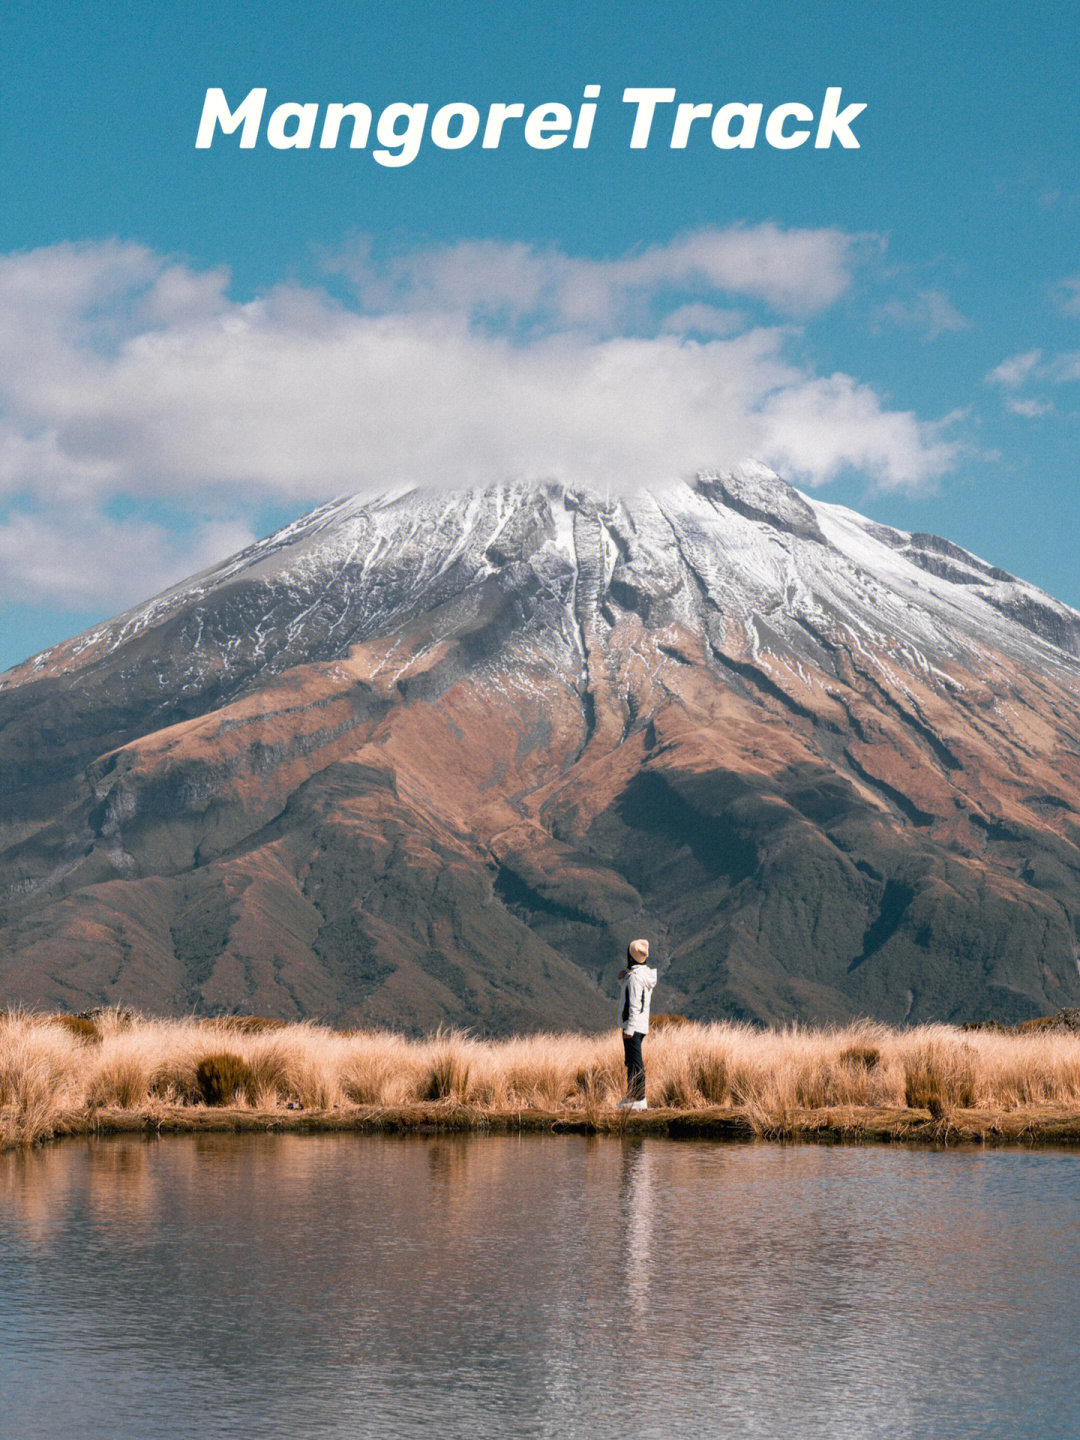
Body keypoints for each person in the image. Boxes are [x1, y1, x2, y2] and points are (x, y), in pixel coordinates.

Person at [617, 938, 657, 1109]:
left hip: (633, 1025)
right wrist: (626, 974)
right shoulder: (643, 975)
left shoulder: (635, 978)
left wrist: (629, 1028)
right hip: (641, 1024)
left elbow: (634, 1003)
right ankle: (633, 1096)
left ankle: (639, 1098)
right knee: (632, 1060)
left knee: (635, 1062)